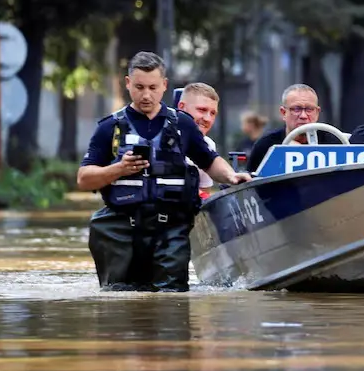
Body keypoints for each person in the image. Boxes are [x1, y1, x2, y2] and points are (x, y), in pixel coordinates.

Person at [77, 52, 251, 291]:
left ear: (165, 86)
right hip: (121, 229)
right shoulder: (110, 128)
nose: (146, 95)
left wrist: (232, 177)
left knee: (171, 302)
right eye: (139, 87)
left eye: (152, 87)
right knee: (120, 303)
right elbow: (84, 179)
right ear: (128, 83)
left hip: (170, 229)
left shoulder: (183, 124)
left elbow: (210, 160)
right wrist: (119, 168)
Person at [245, 84, 342, 173]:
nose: (303, 116)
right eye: (296, 109)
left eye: (309, 109)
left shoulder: (334, 143)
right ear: (283, 113)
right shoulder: (266, 145)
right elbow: (250, 186)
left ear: (317, 113)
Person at [178, 82, 221, 197]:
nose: (207, 118)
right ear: (181, 107)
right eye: (202, 110)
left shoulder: (208, 144)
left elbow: (204, 197)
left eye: (213, 113)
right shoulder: (160, 136)